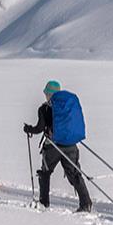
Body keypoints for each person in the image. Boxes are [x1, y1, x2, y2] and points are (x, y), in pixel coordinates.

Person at [24, 80, 92, 212]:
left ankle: (44, 203)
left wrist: (28, 129)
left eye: (46, 93)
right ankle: (86, 203)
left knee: (45, 173)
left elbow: (39, 128)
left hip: (52, 147)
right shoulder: (66, 106)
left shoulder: (44, 108)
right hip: (70, 144)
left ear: (49, 94)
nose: (45, 95)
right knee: (75, 174)